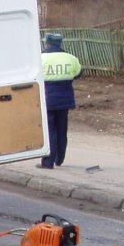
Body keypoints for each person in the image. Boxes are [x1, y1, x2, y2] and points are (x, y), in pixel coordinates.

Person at [37, 33, 82, 169]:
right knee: (62, 129)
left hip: (48, 99)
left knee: (50, 130)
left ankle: (48, 162)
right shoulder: (71, 58)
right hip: (65, 100)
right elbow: (78, 74)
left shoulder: (40, 58)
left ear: (47, 43)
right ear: (60, 43)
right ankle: (59, 159)